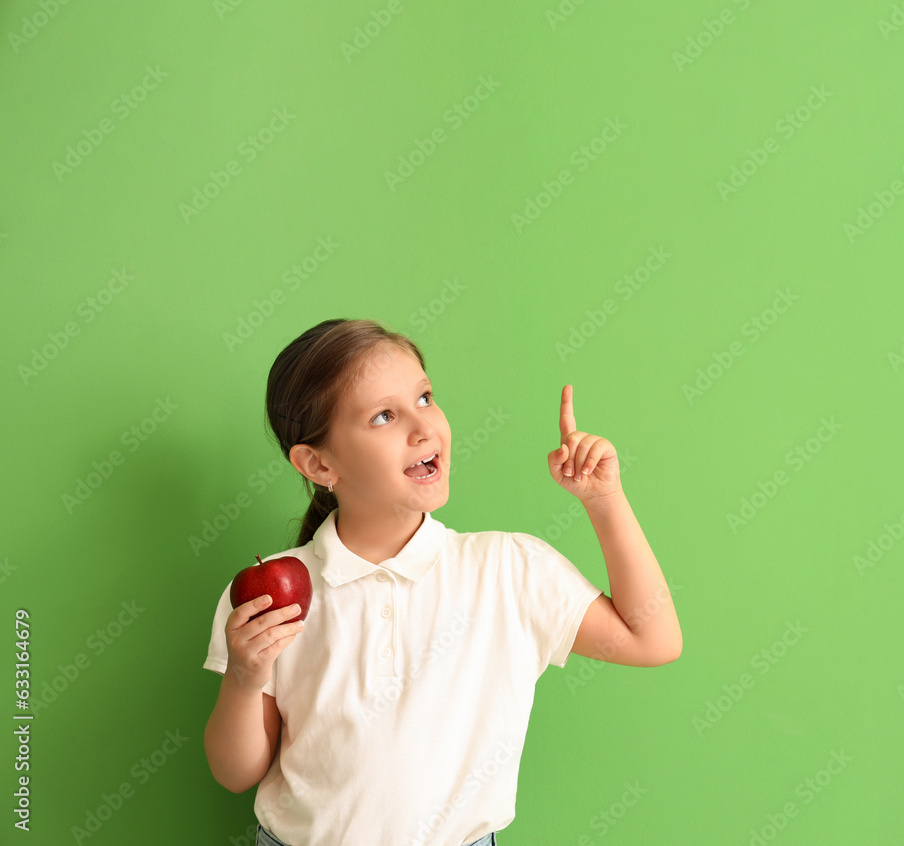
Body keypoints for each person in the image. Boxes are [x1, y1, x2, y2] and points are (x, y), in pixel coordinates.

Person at [203, 318, 682, 846]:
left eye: (425, 397)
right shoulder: (269, 597)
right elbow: (236, 773)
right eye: (384, 416)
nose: (423, 427)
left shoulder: (508, 570)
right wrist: (245, 677)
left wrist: (604, 500)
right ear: (317, 463)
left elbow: (651, 639)